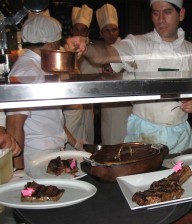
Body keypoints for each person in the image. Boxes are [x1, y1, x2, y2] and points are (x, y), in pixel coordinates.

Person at [65, 0, 192, 153]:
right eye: (155, 13)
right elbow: (105, 55)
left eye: (167, 12)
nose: (160, 19)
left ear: (181, 14)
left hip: (180, 136)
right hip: (143, 134)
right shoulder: (137, 44)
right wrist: (85, 48)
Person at [6, 15, 80, 169]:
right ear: (50, 43)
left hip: (50, 151)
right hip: (37, 155)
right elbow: (14, 125)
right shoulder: (27, 71)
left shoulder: (39, 66)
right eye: (58, 42)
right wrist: (18, 171)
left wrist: (75, 142)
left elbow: (50, 115)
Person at [94, 3, 132, 145]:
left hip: (125, 106)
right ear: (101, 33)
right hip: (107, 107)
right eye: (107, 30)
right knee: (109, 143)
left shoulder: (127, 48)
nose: (111, 34)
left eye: (114, 30)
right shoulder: (99, 51)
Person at [64, 4, 94, 150]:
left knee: (86, 141)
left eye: (84, 30)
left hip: (86, 108)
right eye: (78, 29)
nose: (80, 33)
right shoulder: (63, 53)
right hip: (69, 112)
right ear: (71, 30)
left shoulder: (91, 50)